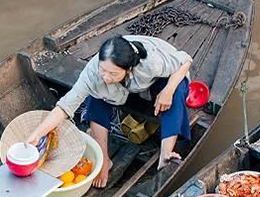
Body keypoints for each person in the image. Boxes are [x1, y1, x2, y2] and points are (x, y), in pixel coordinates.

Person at [27, 35, 193, 185]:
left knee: (177, 93)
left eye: (113, 73)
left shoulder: (151, 63)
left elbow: (185, 60)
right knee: (95, 96)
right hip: (124, 89)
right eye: (103, 69)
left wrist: (168, 90)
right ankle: (104, 159)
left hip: (163, 78)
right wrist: (37, 134)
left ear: (128, 69)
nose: (106, 76)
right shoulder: (93, 73)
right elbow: (64, 106)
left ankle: (165, 154)